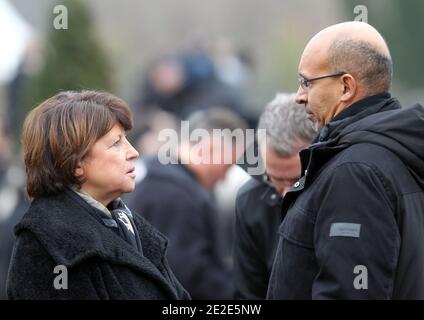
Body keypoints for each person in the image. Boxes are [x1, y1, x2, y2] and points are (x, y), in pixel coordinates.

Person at [267, 21, 424, 299]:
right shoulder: (391, 153)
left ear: (346, 87)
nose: (299, 97)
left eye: (307, 82)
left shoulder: (355, 172)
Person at [6, 90, 190, 300]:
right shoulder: (46, 245)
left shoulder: (126, 223)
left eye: (126, 139)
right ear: (75, 163)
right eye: (116, 143)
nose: (133, 152)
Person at [127, 108, 247, 299]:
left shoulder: (158, 175)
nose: (224, 178)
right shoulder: (179, 196)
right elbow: (188, 275)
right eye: (227, 166)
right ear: (210, 149)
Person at [233, 93, 316, 299]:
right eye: (276, 179)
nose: (287, 193)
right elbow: (248, 293)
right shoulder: (250, 202)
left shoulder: (344, 191)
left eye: (297, 180)